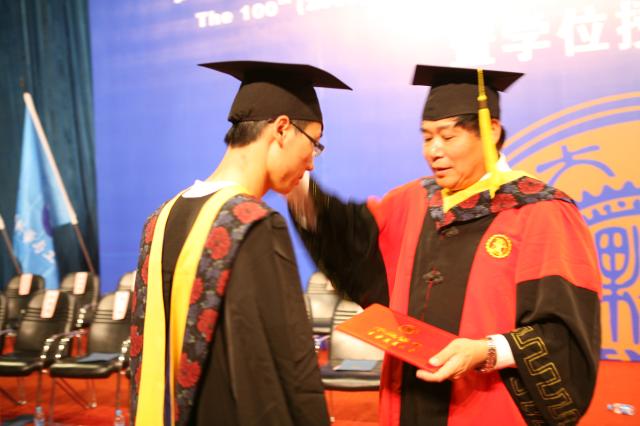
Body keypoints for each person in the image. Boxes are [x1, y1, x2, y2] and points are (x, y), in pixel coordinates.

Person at [288, 65, 601, 425]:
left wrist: (485, 350)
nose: (433, 151)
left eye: (448, 137)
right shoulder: (413, 200)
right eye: (426, 137)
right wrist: (297, 184)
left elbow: (562, 333)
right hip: (408, 401)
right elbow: (354, 241)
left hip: (485, 406)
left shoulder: (541, 211)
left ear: (490, 131)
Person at [130, 60, 351, 426]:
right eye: (314, 143)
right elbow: (285, 369)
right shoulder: (254, 225)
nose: (311, 163)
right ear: (282, 129)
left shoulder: (160, 219)